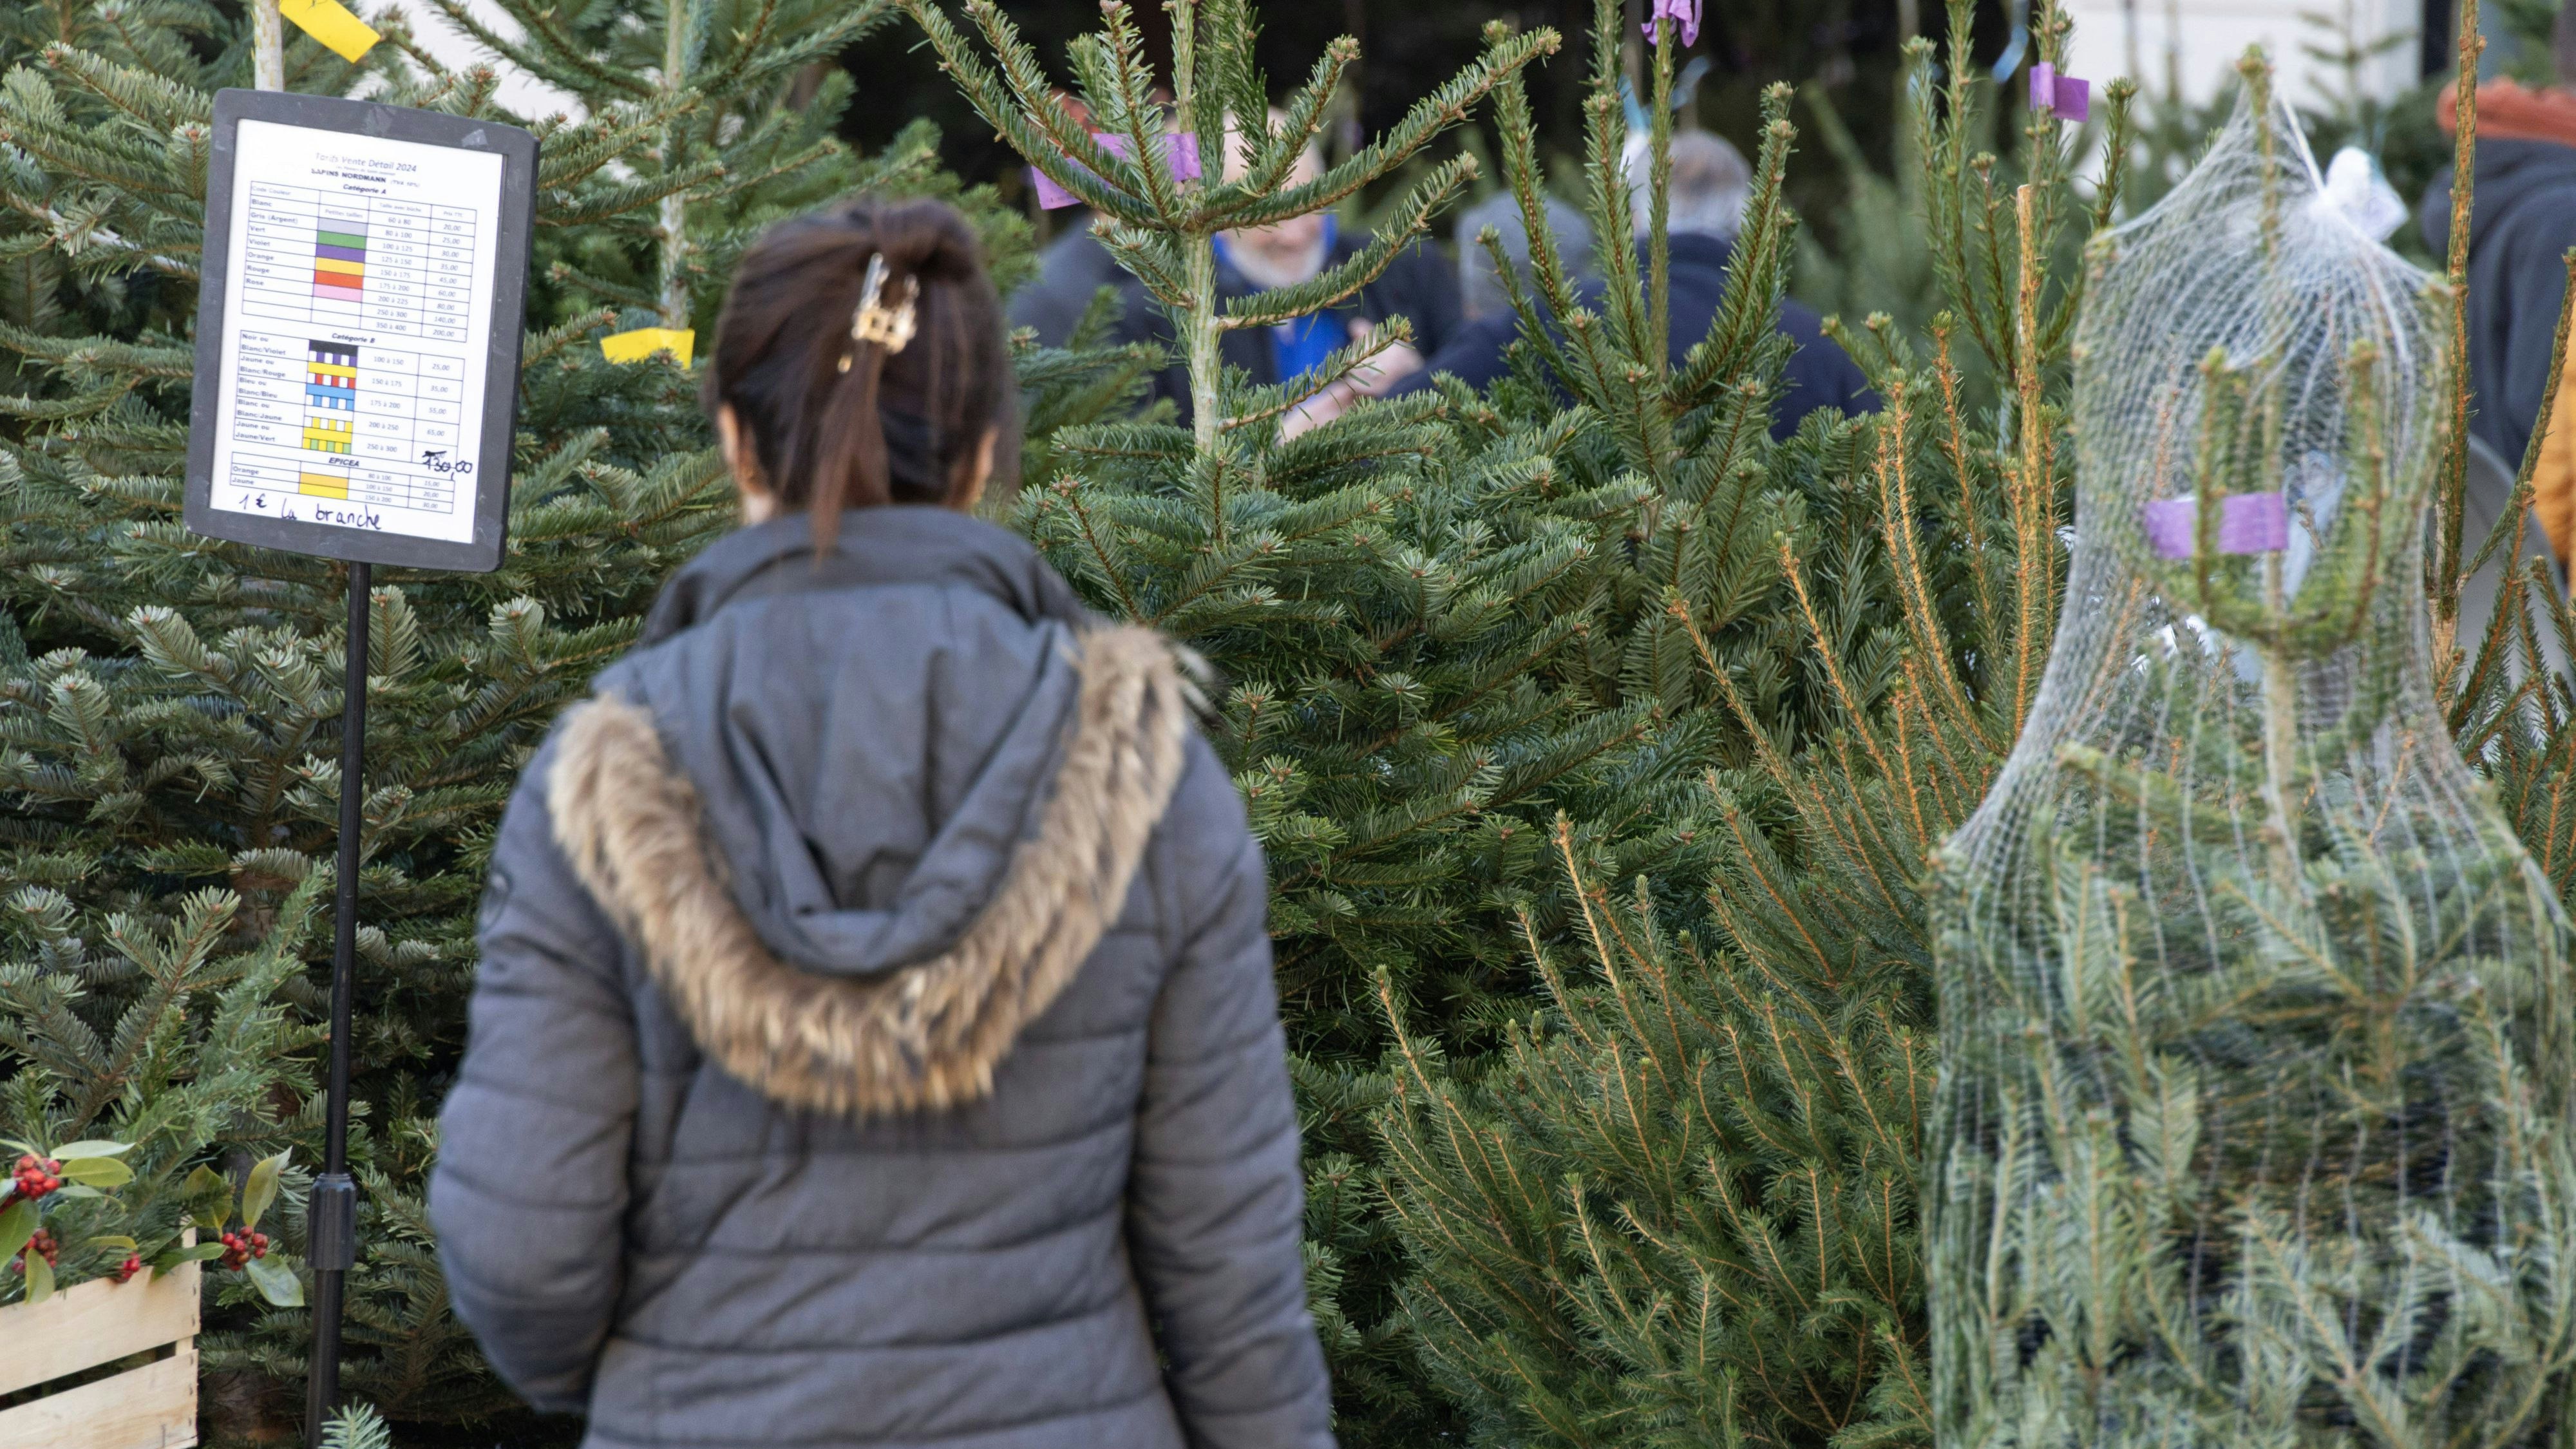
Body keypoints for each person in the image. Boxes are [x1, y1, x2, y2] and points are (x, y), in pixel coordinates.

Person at [430, 198, 1336, 1449]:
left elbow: (523, 1243)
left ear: (740, 444)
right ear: (977, 460)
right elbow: (1228, 1270)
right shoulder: (1146, 775)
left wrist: (659, 1382)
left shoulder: (600, 779)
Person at [1369, 131, 1874, 440]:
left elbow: (1396, 426)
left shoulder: (1566, 322)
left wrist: (1387, 380)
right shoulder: (1825, 348)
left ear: (1635, 216)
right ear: (1758, 225)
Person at [1111, 121, 1462, 417]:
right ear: (1209, 220)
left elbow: (1483, 396)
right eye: (1266, 219)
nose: (1294, 236)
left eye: (1309, 205)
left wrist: (1417, 379)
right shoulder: (1151, 316)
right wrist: (1269, 457)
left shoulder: (1406, 267)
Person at [2420, 0, 2576, 562]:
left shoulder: (2521, 180)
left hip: (2492, 563)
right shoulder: (2566, 215)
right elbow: (2554, 435)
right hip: (2538, 587)